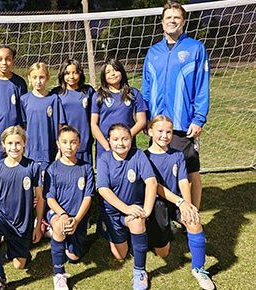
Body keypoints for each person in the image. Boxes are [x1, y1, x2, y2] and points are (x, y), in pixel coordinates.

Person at [142, 1, 210, 209]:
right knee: (160, 170)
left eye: (176, 18)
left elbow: (202, 86)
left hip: (183, 123)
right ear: (162, 22)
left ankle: (191, 214)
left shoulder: (195, 48)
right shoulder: (153, 52)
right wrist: (145, 117)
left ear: (184, 21)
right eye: (168, 18)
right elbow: (146, 87)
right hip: (157, 123)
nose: (172, 21)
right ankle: (168, 212)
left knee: (190, 171)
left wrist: (198, 119)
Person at [145, 115, 215, 290]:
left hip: (177, 201)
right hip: (157, 205)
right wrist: (181, 201)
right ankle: (161, 231)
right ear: (150, 131)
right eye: (160, 131)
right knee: (163, 252)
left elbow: (183, 180)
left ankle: (199, 269)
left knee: (194, 223)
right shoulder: (144, 156)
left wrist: (188, 206)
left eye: (169, 132)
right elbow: (156, 186)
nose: (164, 135)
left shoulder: (177, 155)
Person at [95, 123, 157, 290]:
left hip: (132, 209)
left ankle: (140, 272)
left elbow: (151, 182)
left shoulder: (138, 155)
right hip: (113, 212)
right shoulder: (104, 159)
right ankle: (105, 227)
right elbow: (103, 189)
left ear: (131, 139)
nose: (120, 143)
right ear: (109, 141)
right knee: (120, 255)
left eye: (125, 139)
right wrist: (125, 208)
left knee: (137, 222)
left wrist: (147, 211)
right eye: (115, 139)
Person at [0, 125, 44, 290]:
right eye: (10, 143)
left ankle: (15, 248)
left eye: (18, 143)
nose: (14, 147)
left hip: (23, 221)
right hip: (2, 216)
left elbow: (39, 199)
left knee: (19, 265)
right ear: (3, 145)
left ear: (24, 144)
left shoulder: (32, 167)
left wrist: (38, 225)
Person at [44, 126, 94, 290]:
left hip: (77, 217)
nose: (69, 146)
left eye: (73, 142)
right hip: (59, 212)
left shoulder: (86, 168)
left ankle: (58, 236)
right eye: (64, 142)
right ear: (58, 144)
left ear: (79, 144)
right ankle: (59, 275)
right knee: (59, 225)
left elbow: (87, 197)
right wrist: (63, 214)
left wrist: (77, 220)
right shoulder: (52, 169)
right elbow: (49, 198)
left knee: (74, 256)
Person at [91, 59, 147, 162]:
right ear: (103, 76)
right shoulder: (98, 96)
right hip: (105, 147)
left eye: (115, 70)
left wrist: (126, 137)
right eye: (108, 72)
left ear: (121, 72)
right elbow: (94, 125)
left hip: (126, 145)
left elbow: (142, 121)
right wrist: (107, 146)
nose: (112, 74)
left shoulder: (133, 93)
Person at [0, 45, 27, 161]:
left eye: (8, 59)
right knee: (0, 165)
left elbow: (23, 111)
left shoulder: (20, 83)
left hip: (16, 133)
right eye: (0, 59)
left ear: (13, 60)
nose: (4, 62)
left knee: (17, 163)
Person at [20, 62, 66, 174]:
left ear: (47, 78)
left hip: (50, 149)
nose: (38, 81)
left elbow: (61, 126)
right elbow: (23, 126)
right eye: (34, 77)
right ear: (29, 78)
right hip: (31, 149)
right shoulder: (24, 99)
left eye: (41, 77)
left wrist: (60, 149)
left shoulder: (54, 99)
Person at [52, 59, 95, 164]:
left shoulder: (88, 91)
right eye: (67, 73)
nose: (71, 76)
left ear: (80, 73)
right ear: (62, 74)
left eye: (75, 72)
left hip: (84, 140)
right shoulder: (56, 93)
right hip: (65, 143)